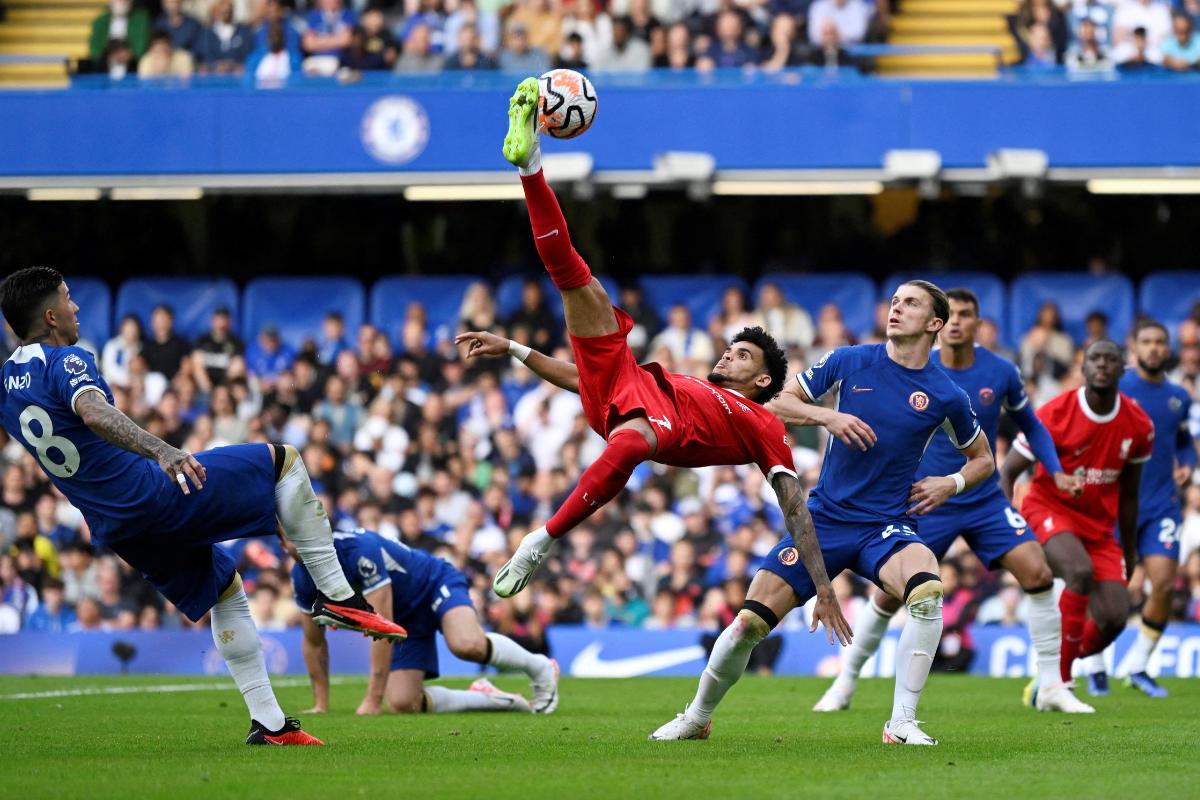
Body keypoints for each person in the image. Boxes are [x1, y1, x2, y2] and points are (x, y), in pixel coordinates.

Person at [472, 80, 850, 649]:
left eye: (742, 355)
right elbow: (584, 384)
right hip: (624, 387)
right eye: (731, 347)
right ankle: (530, 166)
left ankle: (540, 542)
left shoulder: (764, 425)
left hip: (651, 426)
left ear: (764, 380)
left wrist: (821, 585)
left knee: (631, 441)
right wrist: (518, 351)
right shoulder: (691, 379)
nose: (728, 353)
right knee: (572, 275)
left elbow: (794, 504)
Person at [0, 267, 405, 745]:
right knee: (285, 460)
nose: (77, 308)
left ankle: (270, 724)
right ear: (50, 315)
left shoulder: (8, 382)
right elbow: (92, 410)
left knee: (225, 591)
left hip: (116, 526)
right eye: (69, 300)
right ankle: (337, 594)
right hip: (150, 494)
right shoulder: (64, 360)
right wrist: (164, 450)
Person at [647, 280, 994, 746]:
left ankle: (902, 723)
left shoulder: (945, 394)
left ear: (935, 323)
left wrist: (949, 483)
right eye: (893, 301)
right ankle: (696, 717)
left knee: (928, 592)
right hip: (824, 521)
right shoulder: (850, 360)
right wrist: (829, 417)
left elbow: (984, 459)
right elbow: (777, 401)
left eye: (910, 303)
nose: (896, 308)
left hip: (885, 526)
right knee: (748, 623)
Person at [812, 288, 1093, 716]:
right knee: (892, 597)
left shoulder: (1000, 371)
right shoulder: (912, 366)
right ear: (939, 325)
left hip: (978, 495)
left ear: (977, 324)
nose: (958, 321)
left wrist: (1053, 470)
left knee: (1037, 572)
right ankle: (845, 682)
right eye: (954, 313)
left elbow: (1031, 425)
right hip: (925, 498)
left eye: (967, 314)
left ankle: (1052, 685)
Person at [1000, 339, 1153, 698]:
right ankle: (1059, 683)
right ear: (1082, 368)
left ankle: (1050, 669)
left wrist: (1129, 552)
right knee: (1079, 573)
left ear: (1121, 369)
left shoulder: (1138, 425)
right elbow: (1008, 471)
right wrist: (1006, 528)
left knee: (1115, 616)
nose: (1101, 365)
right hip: (1048, 509)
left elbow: (1129, 497)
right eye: (1094, 358)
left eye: (1109, 359)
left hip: (1098, 528)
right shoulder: (1054, 413)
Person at [286, 527, 559, 715]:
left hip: (432, 583)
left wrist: (372, 699)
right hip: (405, 617)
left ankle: (540, 667)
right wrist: (320, 705)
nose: (291, 543)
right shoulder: (302, 578)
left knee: (466, 644)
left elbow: (382, 621)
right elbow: (313, 642)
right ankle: (496, 699)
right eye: (285, 537)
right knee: (405, 703)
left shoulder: (358, 550)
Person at [1103, 320, 1194, 697]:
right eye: (1147, 342)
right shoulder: (1115, 389)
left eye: (1160, 342)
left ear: (1167, 348)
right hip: (1114, 505)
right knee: (1111, 592)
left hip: (1161, 506)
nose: (1154, 348)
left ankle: (1138, 665)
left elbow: (1183, 438)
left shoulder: (1178, 396)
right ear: (1134, 347)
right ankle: (1092, 665)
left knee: (1163, 586)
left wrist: (1187, 461)